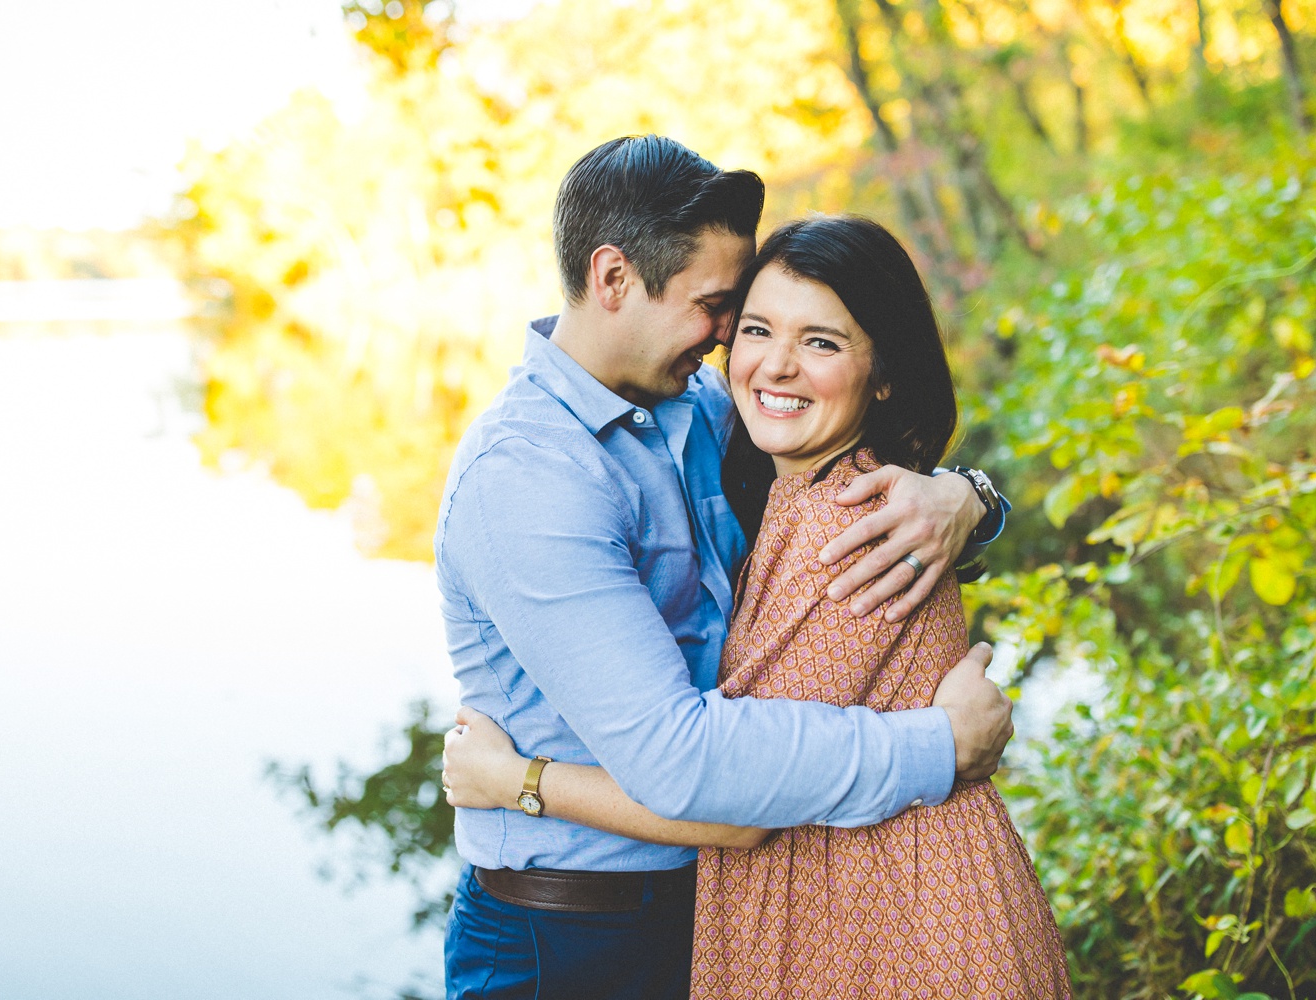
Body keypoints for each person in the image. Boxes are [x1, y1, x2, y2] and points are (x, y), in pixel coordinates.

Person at [434, 136, 1015, 999]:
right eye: (719, 309)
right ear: (614, 279)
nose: (730, 340)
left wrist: (967, 499)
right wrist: (937, 748)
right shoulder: (528, 481)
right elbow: (683, 761)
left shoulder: (700, 405)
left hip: (714, 899)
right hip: (567, 937)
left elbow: (837, 435)